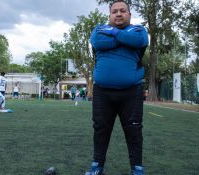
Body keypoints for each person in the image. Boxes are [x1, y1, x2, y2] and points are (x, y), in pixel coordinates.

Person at [85, 1, 148, 175]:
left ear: (129, 14)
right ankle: (97, 166)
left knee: (134, 130)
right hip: (102, 92)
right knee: (100, 129)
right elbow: (98, 42)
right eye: (114, 11)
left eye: (122, 11)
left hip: (132, 92)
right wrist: (123, 38)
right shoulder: (99, 30)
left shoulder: (139, 30)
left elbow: (138, 41)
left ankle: (137, 169)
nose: (118, 14)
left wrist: (113, 33)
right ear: (109, 15)